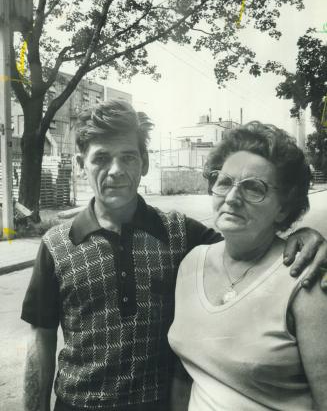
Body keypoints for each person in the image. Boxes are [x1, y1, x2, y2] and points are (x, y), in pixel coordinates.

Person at [21, 103, 327, 411]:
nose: (115, 170)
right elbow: (41, 342)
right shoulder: (56, 245)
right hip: (77, 405)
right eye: (101, 157)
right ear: (80, 164)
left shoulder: (179, 234)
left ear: (144, 163)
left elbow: (248, 239)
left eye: (127, 156)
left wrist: (304, 238)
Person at [168, 121, 327, 410]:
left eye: (254, 188)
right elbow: (186, 371)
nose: (231, 198)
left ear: (283, 207)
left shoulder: (306, 277)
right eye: (224, 182)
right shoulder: (192, 262)